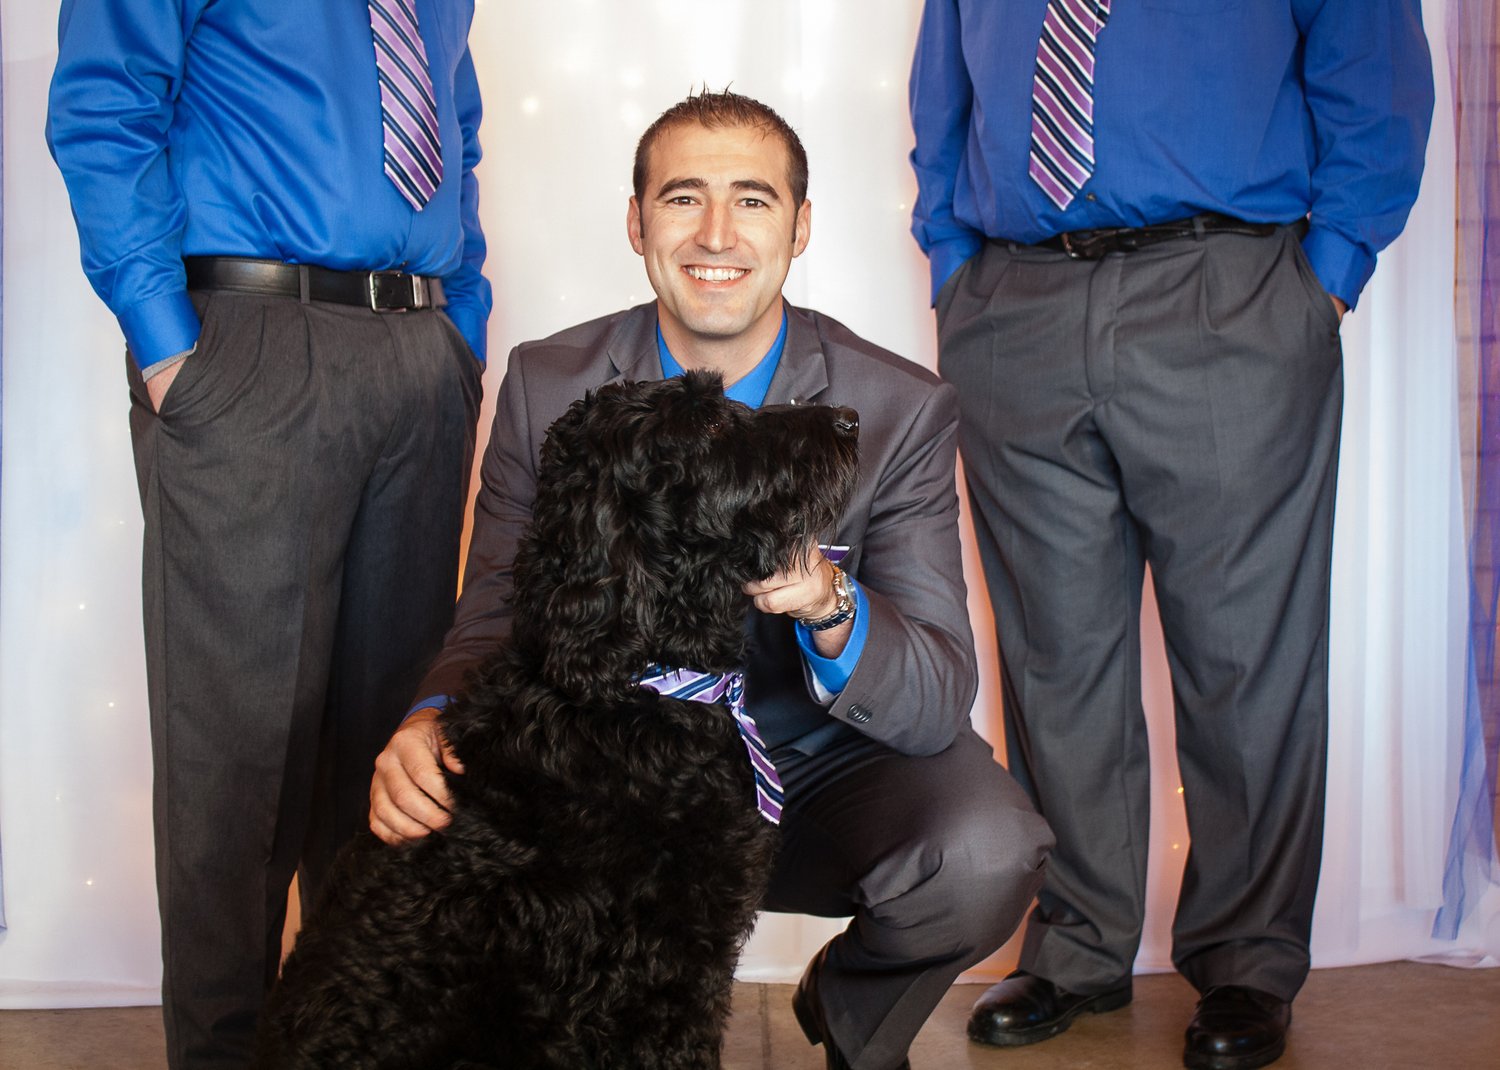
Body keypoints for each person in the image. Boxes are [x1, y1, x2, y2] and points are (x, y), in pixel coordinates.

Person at [369, 89, 1053, 1070]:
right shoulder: (548, 383)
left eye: (753, 200)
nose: (717, 234)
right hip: (617, 780)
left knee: (985, 850)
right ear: (637, 222)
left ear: (801, 227)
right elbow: (496, 610)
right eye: (684, 197)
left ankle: (853, 1011)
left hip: (820, 772)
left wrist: (832, 606)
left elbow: (939, 691)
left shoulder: (898, 406)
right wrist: (430, 715)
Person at [908, 3, 1434, 1069]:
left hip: (1226, 294)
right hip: (1015, 302)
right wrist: (956, 265)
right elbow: (942, 99)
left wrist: (1325, 277)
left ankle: (1247, 957)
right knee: (1055, 656)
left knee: (1245, 659)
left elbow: (1372, 73)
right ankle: (1078, 944)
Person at [46, 2, 489, 1066]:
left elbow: (459, 136)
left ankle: (358, 1045)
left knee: (395, 754)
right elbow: (106, 102)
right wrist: (167, 345)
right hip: (250, 341)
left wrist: (461, 329)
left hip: (418, 351)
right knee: (236, 767)